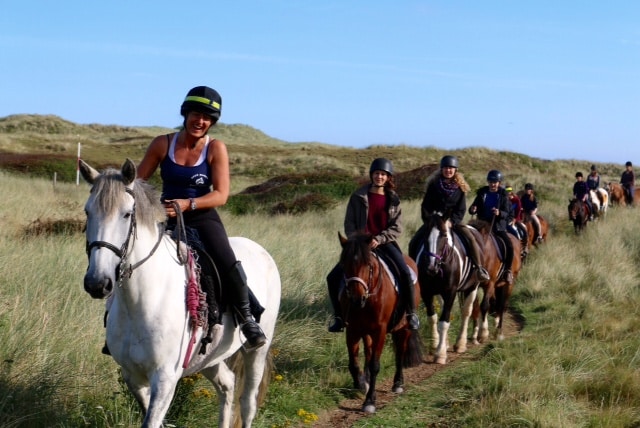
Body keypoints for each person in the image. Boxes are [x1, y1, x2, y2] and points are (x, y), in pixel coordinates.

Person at [135, 85, 266, 350]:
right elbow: (137, 182)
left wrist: (188, 203)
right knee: (130, 256)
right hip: (164, 216)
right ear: (185, 114)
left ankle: (246, 318)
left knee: (227, 260)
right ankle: (118, 319)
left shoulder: (216, 148)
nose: (201, 121)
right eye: (196, 113)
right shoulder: (162, 143)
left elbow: (221, 194)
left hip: (202, 216)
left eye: (208, 117)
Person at [326, 158, 420, 332]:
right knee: (332, 277)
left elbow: (397, 227)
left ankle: (411, 313)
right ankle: (339, 318)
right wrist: (358, 239)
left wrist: (380, 239)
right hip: (361, 246)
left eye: (383, 174)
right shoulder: (358, 196)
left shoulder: (394, 199)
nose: (379, 177)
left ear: (388, 177)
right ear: (371, 175)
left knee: (406, 273)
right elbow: (349, 223)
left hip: (384, 243)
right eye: (377, 173)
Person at [408, 155, 489, 281]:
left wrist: (452, 222)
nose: (448, 170)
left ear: (455, 170)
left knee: (471, 239)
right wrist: (430, 220)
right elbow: (425, 205)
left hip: (452, 222)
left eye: (451, 168)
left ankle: (479, 268)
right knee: (414, 240)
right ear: (441, 169)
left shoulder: (460, 188)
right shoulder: (433, 185)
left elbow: (461, 209)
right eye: (446, 168)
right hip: (434, 222)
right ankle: (413, 272)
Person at [468, 170, 514, 284]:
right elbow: (473, 207)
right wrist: (473, 209)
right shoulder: (482, 193)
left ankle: (507, 271)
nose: (493, 184)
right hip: (481, 225)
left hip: (497, 226)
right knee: (466, 239)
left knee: (509, 245)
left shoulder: (503, 195)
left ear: (499, 182)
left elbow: (507, 213)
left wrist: (499, 213)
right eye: (491, 181)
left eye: (495, 182)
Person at [505, 185, 528, 255]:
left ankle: (525, 247)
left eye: (509, 191)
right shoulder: (504, 200)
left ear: (511, 192)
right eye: (506, 191)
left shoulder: (516, 200)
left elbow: (518, 211)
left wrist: (515, 220)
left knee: (523, 230)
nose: (508, 193)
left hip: (516, 218)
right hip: (507, 219)